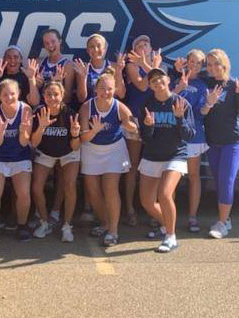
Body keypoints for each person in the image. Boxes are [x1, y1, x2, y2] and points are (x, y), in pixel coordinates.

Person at [138, 67, 195, 253]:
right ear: (150, 85)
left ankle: (170, 236)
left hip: (175, 156)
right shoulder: (146, 104)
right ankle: (167, 223)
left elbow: (189, 135)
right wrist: (148, 126)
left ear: (168, 79)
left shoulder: (181, 103)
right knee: (146, 201)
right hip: (152, 155)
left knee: (164, 194)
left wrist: (179, 119)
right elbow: (145, 138)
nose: (157, 82)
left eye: (160, 78)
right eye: (153, 80)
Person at [79, 72, 136, 247]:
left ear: (115, 89)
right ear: (95, 89)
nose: (106, 92)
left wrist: (127, 124)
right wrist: (94, 131)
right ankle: (104, 223)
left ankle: (113, 231)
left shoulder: (120, 107)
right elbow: (82, 138)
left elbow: (134, 127)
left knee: (110, 188)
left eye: (110, 89)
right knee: (93, 191)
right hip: (91, 148)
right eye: (102, 88)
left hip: (114, 150)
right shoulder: (87, 108)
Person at [201, 49, 239, 239]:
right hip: (213, 142)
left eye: (216, 64)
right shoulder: (205, 84)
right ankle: (226, 219)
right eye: (209, 64)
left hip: (233, 142)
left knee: (226, 181)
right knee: (219, 180)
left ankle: (222, 223)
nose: (212, 68)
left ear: (224, 65)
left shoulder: (233, 85)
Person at [30, 80, 81, 242]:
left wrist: (74, 134)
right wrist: (42, 127)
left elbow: (75, 146)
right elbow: (34, 143)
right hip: (45, 152)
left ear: (62, 95)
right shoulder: (39, 113)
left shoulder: (70, 114)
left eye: (56, 94)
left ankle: (67, 225)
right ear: (44, 96)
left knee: (70, 184)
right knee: (37, 187)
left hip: (68, 152)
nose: (52, 98)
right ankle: (45, 222)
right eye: (49, 94)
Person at [0, 79, 34, 242]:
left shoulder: (26, 109)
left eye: (12, 93)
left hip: (20, 155)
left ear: (18, 94)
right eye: (5, 94)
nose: (9, 97)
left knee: (24, 193)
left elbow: (24, 142)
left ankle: (22, 226)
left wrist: (23, 132)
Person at [123, 34, 164, 226]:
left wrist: (152, 66)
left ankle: (153, 210)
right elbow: (141, 84)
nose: (143, 46)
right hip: (135, 121)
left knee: (155, 167)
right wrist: (150, 66)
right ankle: (130, 209)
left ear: (151, 47)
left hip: (157, 122)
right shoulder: (132, 66)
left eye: (146, 44)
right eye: (139, 44)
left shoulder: (160, 66)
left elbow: (162, 87)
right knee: (132, 166)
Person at [172, 49, 208, 233]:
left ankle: (192, 217)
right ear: (186, 62)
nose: (193, 65)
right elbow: (163, 101)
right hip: (172, 135)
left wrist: (209, 105)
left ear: (202, 67)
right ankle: (167, 217)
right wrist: (178, 85)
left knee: (193, 176)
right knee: (171, 178)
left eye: (198, 63)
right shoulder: (174, 79)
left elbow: (201, 111)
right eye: (191, 61)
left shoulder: (201, 86)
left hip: (193, 136)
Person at [74, 33, 126, 103]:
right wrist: (83, 78)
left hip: (110, 108)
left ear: (104, 49)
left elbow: (121, 94)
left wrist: (119, 71)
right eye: (92, 46)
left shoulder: (114, 66)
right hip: (91, 109)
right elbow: (81, 99)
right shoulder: (83, 68)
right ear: (87, 50)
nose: (96, 49)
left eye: (99, 46)